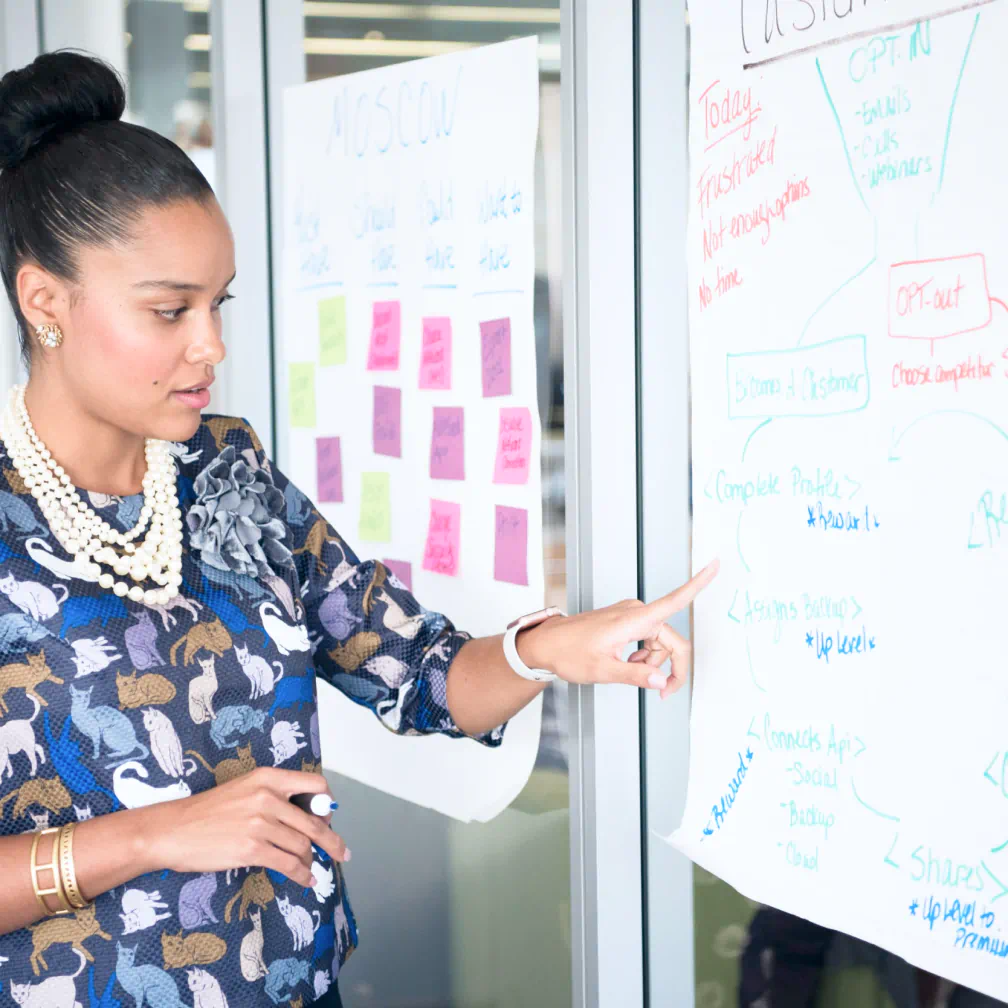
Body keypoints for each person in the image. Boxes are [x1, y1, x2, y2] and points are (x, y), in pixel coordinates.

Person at [0, 51, 716, 1008]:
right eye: (169, 310)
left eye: (219, 304)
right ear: (46, 301)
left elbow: (418, 673)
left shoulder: (227, 471)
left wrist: (551, 649)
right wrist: (155, 834)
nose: (210, 345)